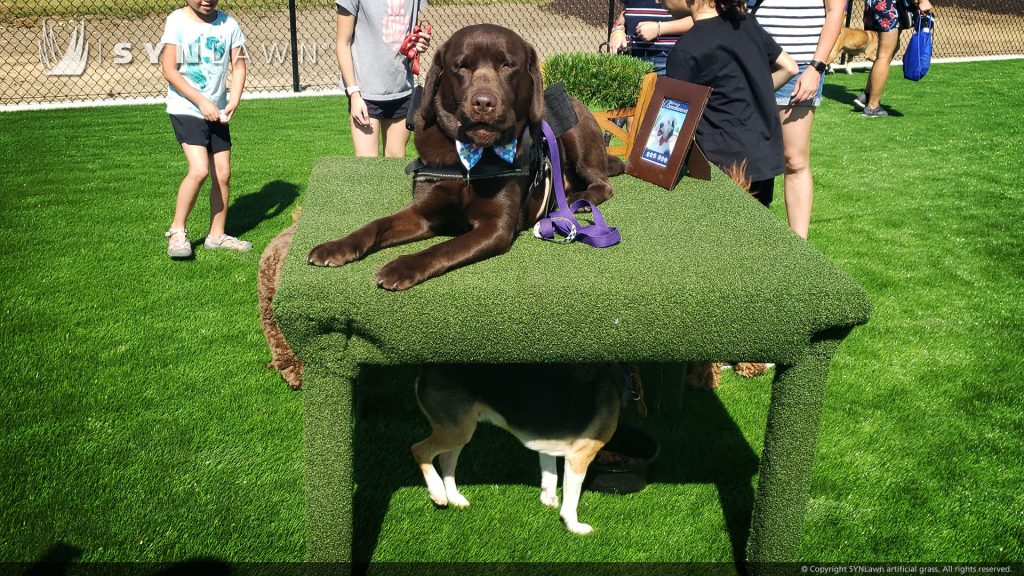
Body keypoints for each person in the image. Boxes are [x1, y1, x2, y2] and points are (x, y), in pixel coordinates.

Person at [663, 0, 799, 207]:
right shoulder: (747, 24)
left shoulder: (686, 49)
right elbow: (789, 67)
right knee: (757, 230)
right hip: (761, 154)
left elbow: (671, 119)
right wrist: (755, 92)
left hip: (723, 163)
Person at [160, 0, 250, 259]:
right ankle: (177, 231)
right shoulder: (177, 21)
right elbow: (169, 70)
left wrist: (234, 99)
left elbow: (239, 64)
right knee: (199, 170)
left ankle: (216, 235)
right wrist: (201, 101)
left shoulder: (229, 24)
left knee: (223, 174)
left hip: (218, 111)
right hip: (187, 108)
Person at [749, 0, 845, 239]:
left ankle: (799, 247)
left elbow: (836, 13)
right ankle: (749, 236)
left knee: (794, 160)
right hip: (752, 61)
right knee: (749, 153)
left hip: (802, 67)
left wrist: (815, 68)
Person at [335, 0, 430, 157]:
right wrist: (354, 94)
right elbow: (342, 43)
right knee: (367, 167)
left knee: (395, 165)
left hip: (402, 89)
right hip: (364, 94)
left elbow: (407, 32)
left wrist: (418, 43)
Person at [856, 0, 934, 117]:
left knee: (892, 48)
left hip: (877, 4)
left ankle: (867, 94)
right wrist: (923, 1)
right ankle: (872, 106)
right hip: (890, 6)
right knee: (884, 56)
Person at [608, 0, 694, 76]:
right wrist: (617, 30)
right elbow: (626, 11)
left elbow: (702, 19)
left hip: (667, 56)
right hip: (632, 54)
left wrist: (659, 28)